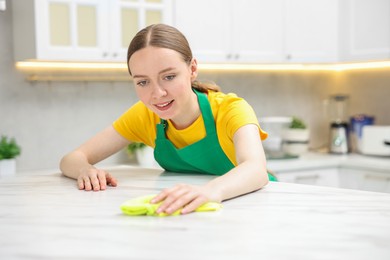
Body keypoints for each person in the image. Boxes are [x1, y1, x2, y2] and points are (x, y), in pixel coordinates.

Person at [60, 24, 269, 215]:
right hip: (192, 212)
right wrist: (85, 170)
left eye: (169, 77)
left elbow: (256, 170)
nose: (157, 93)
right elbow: (71, 159)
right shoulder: (144, 115)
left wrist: (209, 192)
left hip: (254, 209)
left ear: (192, 69)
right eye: (143, 82)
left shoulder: (231, 110)